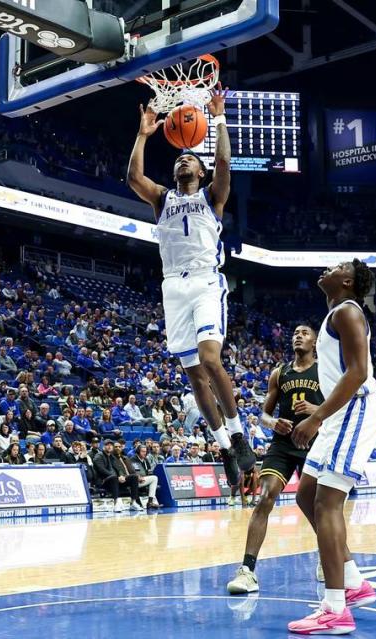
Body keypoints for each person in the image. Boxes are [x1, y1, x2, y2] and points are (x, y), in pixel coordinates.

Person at [126, 89, 254, 491]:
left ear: (199, 172)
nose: (184, 161)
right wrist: (145, 134)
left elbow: (224, 163)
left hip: (204, 282)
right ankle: (223, 449)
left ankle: (239, 435)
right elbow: (133, 178)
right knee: (195, 377)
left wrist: (217, 119)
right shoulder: (162, 199)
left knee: (210, 359)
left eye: (190, 160)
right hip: (172, 288)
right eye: (181, 158)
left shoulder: (211, 196)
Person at [287, 259, 376, 634]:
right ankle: (354, 581)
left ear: (346, 281)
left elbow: (358, 373)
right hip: (338, 411)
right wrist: (322, 412)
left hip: (354, 409)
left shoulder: (347, 311)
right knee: (306, 496)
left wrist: (317, 417)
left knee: (328, 503)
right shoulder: (335, 314)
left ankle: (335, 608)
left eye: (338, 266)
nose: (327, 267)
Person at [227, 325, 326, 595]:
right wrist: (274, 423)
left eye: (305, 332)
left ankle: (326, 556)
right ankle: (247, 571)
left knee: (319, 506)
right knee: (265, 497)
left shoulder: (325, 370)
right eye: (295, 332)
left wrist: (316, 412)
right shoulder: (279, 373)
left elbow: (339, 408)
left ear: (315, 341)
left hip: (314, 443)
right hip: (283, 444)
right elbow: (263, 415)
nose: (298, 335)